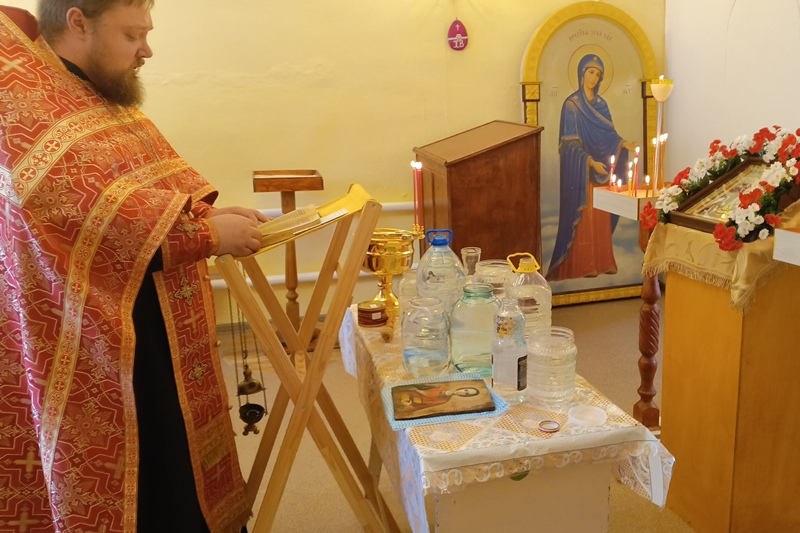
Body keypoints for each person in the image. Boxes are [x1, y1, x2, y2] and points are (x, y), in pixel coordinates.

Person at [0, 2, 267, 531]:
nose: (147, 49)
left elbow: (144, 187)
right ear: (78, 22)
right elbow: (74, 208)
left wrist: (205, 215)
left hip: (151, 315)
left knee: (172, 455)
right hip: (96, 338)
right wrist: (210, 235)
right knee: (146, 477)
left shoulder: (93, 92)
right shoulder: (30, 99)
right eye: (131, 35)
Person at [545, 54, 638, 282]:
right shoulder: (572, 105)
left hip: (603, 171)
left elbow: (609, 136)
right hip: (582, 174)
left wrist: (623, 144)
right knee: (586, 218)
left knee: (601, 216)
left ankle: (603, 263)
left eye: (598, 74)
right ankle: (582, 265)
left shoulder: (601, 105)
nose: (594, 78)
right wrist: (589, 161)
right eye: (590, 72)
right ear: (581, 73)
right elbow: (569, 144)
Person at [393, 383, 481, 415]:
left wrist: (409, 406)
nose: (463, 392)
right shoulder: (442, 387)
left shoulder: (444, 400)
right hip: (407, 392)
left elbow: (425, 405)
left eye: (466, 394)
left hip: (410, 402)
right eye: (466, 390)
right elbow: (422, 387)